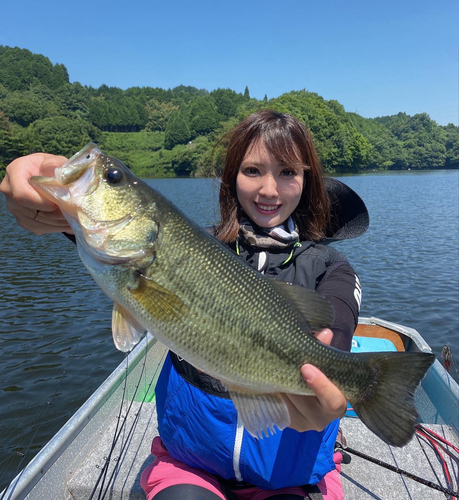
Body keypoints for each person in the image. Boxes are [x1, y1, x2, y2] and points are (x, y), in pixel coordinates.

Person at [0, 110, 368, 500]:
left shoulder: (333, 267)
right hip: (191, 464)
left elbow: (335, 330)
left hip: (289, 475)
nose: (269, 190)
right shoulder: (191, 244)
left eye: (288, 172)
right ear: (232, 178)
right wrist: (44, 182)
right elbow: (111, 242)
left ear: (308, 181)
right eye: (253, 170)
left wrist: (332, 383)